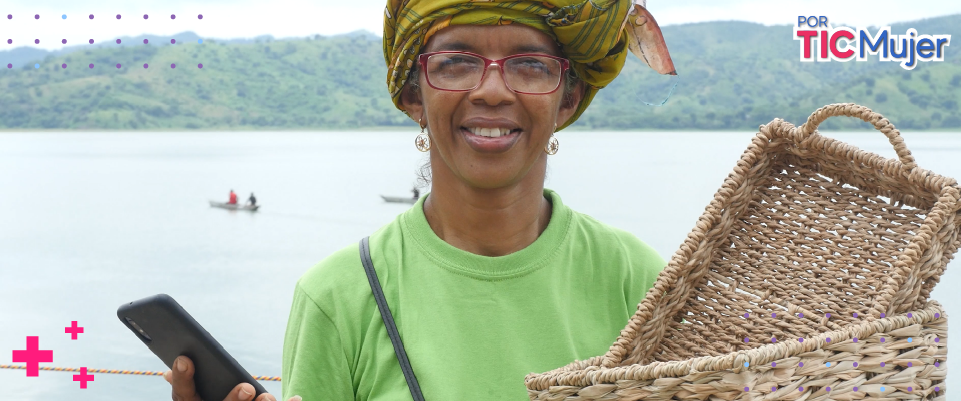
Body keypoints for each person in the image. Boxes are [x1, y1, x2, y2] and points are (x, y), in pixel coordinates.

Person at [163, 1, 676, 400]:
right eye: (456, 63)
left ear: (566, 97)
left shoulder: (638, 282)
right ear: (413, 96)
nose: (493, 91)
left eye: (529, 64)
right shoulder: (340, 299)